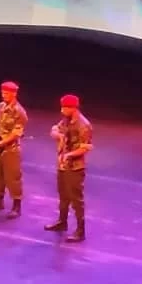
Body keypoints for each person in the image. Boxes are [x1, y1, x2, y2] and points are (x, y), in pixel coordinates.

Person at [45, 94, 93, 243]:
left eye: (64, 108)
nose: (62, 111)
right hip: (63, 166)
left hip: (75, 168)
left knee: (76, 200)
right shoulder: (66, 120)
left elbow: (85, 148)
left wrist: (69, 155)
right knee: (63, 196)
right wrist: (58, 135)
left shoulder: (83, 125)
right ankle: (62, 221)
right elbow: (54, 129)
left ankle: (80, 230)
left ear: (73, 108)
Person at [0, 81, 28, 218]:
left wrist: (2, 142)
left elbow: (16, 133)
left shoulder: (19, 111)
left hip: (10, 149)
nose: (4, 96)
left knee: (13, 178)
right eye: (3, 93)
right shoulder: (1, 106)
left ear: (14, 94)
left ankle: (16, 206)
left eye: (7, 93)